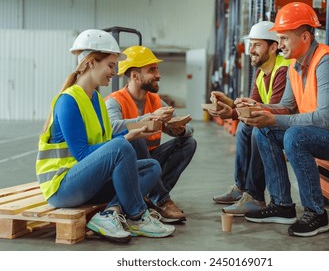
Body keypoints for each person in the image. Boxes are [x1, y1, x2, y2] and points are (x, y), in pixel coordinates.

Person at [35, 29, 176, 243]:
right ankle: (137, 216)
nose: (113, 72)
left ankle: (110, 214)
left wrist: (136, 129)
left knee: (151, 167)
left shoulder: (97, 101)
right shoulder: (68, 101)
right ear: (92, 62)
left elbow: (106, 142)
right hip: (62, 186)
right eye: (110, 65)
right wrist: (125, 139)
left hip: (87, 181)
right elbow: (83, 154)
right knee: (121, 147)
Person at [240, 2, 329, 237]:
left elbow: (324, 119)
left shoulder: (328, 63)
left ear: (305, 36)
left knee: (295, 136)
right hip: (323, 134)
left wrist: (272, 120)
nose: (280, 46)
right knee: (262, 131)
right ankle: (282, 205)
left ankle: (316, 213)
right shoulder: (295, 66)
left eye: (285, 39)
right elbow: (285, 107)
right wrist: (256, 107)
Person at [105, 45, 197, 223]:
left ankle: (152, 197)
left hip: (151, 161)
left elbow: (189, 127)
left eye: (157, 69)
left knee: (189, 142)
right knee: (136, 136)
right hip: (124, 166)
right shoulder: (114, 102)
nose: (158, 75)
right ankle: (161, 199)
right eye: (152, 70)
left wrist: (179, 129)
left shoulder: (156, 100)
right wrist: (150, 119)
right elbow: (111, 128)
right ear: (134, 76)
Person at [209, 21, 289, 216]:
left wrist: (236, 111)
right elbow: (252, 106)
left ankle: (255, 196)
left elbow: (274, 110)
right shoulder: (261, 71)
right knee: (245, 127)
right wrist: (229, 106)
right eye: (250, 45)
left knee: (256, 129)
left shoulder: (283, 69)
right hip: (274, 119)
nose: (251, 50)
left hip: (288, 122)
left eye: (257, 45)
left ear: (273, 46)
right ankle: (242, 187)